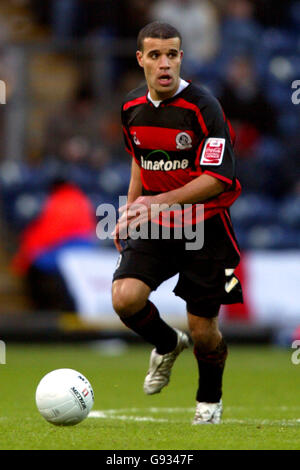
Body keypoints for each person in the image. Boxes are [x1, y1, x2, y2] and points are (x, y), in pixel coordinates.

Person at [111, 22, 243, 424]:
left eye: (172, 54)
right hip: (157, 224)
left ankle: (209, 402)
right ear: (141, 60)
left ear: (181, 58)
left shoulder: (204, 107)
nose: (164, 63)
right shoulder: (131, 108)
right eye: (155, 55)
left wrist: (157, 203)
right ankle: (167, 345)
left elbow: (216, 178)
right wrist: (130, 209)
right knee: (125, 297)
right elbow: (140, 157)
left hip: (205, 226)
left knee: (204, 331)